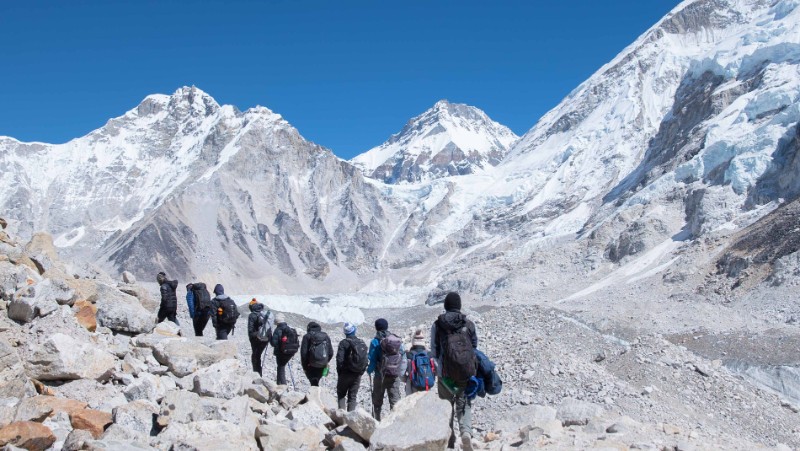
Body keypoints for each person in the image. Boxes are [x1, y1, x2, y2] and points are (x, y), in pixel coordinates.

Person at [431, 292, 478, 450]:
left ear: (445, 305)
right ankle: (465, 432)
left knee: (446, 405)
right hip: (465, 372)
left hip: (445, 374)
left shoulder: (438, 325)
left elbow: (434, 349)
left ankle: (449, 440)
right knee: (463, 403)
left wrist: (440, 367)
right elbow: (474, 347)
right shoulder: (468, 324)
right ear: (459, 306)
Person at [367, 318, 405, 421]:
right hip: (394, 375)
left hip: (380, 376)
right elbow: (402, 354)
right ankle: (395, 423)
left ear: (376, 328)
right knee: (395, 400)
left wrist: (369, 370)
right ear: (387, 327)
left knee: (377, 401)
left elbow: (372, 359)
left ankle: (377, 421)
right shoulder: (395, 340)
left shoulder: (375, 341)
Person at [335, 322, 368, 411]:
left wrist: (340, 373)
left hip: (345, 373)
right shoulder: (361, 342)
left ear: (345, 332)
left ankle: (341, 418)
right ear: (354, 330)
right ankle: (350, 420)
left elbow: (339, 360)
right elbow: (365, 360)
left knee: (341, 394)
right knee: (352, 397)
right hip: (357, 374)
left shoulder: (343, 343)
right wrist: (361, 372)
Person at [300, 322, 333, 387]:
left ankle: (314, 395)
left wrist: (305, 366)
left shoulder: (307, 336)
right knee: (317, 381)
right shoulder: (325, 336)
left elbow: (303, 354)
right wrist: (326, 361)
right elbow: (331, 352)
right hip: (322, 364)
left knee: (313, 382)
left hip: (311, 364)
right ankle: (318, 394)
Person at [404, 328, 436, 394]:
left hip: (412, 385)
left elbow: (401, 371)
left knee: (413, 403)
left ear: (413, 341)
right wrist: (430, 376)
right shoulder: (429, 354)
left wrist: (407, 379)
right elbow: (437, 369)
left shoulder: (408, 355)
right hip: (427, 384)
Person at [270, 313, 298, 386]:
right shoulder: (288, 328)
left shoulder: (278, 329)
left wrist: (270, 337)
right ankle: (279, 384)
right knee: (281, 366)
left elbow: (273, 343)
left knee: (281, 367)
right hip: (290, 352)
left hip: (281, 352)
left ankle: (283, 386)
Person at [247, 298, 272, 376]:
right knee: (258, 356)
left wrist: (252, 337)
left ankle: (257, 375)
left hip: (257, 339)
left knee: (255, 357)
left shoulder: (252, 315)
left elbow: (250, 330)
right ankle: (258, 374)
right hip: (266, 338)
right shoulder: (264, 313)